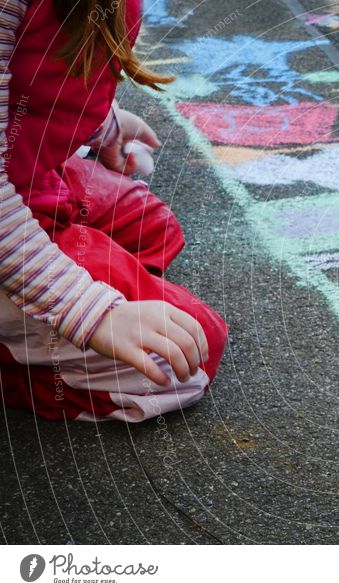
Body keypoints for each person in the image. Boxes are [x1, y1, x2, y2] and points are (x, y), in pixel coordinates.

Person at [0, 0, 228, 422]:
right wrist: (93, 313)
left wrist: (101, 125)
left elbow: (40, 81)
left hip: (30, 179)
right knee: (178, 365)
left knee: (152, 227)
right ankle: (21, 362)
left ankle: (52, 323)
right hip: (10, 215)